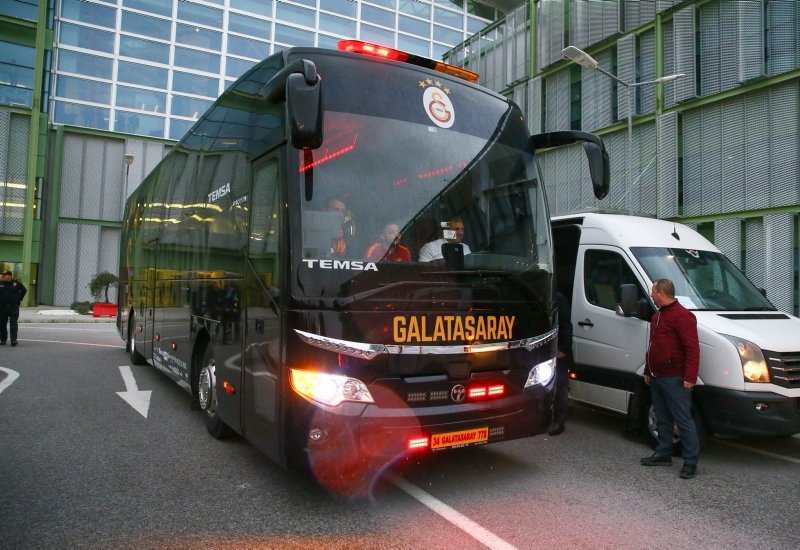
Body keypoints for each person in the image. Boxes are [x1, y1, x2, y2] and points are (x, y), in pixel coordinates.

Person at [640, 278, 700, 479]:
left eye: (653, 292)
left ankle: (690, 462)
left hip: (675, 377)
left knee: (683, 419)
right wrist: (648, 370)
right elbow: (652, 347)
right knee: (662, 417)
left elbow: (692, 348)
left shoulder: (683, 316)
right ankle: (663, 452)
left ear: (662, 293)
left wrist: (690, 376)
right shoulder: (657, 317)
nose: (651, 295)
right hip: (657, 377)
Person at [549, 290, 573, 435]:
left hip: (559, 351)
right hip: (545, 346)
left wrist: (563, 349)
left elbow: (566, 325)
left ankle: (559, 422)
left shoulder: (558, 298)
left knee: (560, 386)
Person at [0, 270, 27, 347]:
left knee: (13, 324)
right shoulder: (1, 283)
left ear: (9, 276)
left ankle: (13, 340)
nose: (3, 276)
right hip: (3, 307)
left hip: (13, 307)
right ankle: (3, 339)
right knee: (2, 324)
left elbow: (24, 290)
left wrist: (19, 299)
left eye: (5, 275)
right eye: (3, 275)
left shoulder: (16, 283)